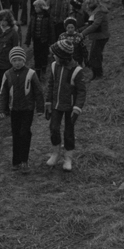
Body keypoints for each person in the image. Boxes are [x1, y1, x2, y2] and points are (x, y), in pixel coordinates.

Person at [0, 45, 45, 173]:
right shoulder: (7, 74)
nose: (17, 63)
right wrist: (3, 109)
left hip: (27, 109)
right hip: (14, 110)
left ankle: (24, 161)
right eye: (14, 60)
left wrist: (40, 109)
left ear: (24, 60)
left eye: (19, 60)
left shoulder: (31, 73)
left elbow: (38, 91)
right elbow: (3, 93)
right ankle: (16, 161)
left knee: (24, 133)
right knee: (16, 134)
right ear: (11, 61)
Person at [44, 40, 86, 172]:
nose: (53, 57)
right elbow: (50, 84)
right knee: (54, 128)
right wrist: (48, 102)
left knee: (69, 131)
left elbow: (81, 91)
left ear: (63, 56)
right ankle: (55, 153)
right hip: (56, 104)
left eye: (55, 55)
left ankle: (68, 158)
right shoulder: (53, 66)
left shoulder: (76, 70)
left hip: (70, 106)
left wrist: (77, 108)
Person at [0, 9, 20, 98]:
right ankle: (1, 98)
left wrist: (12, 60)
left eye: (5, 20)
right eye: (1, 20)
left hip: (6, 63)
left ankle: (4, 102)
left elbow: (15, 48)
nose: (3, 22)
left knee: (5, 83)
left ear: (9, 21)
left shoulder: (13, 32)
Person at [79, 0, 110, 80]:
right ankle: (96, 74)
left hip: (101, 36)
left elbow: (95, 25)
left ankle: (98, 74)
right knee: (94, 55)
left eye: (89, 4)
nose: (87, 6)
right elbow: (91, 24)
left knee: (95, 55)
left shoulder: (99, 12)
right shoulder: (97, 11)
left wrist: (83, 33)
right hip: (98, 36)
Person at [24, 0, 54, 80]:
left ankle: (43, 70)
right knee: (36, 56)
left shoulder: (47, 17)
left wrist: (51, 42)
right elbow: (30, 28)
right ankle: (38, 73)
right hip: (36, 40)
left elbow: (51, 30)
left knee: (44, 56)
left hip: (44, 40)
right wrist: (28, 40)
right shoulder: (33, 16)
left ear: (42, 8)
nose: (35, 9)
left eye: (36, 7)